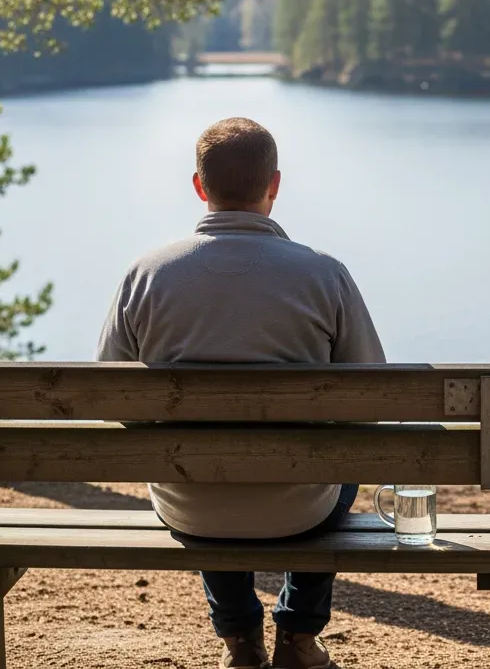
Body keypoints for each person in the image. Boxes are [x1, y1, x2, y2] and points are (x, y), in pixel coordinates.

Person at [97, 117, 385, 669]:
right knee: (338, 457)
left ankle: (239, 639)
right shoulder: (325, 275)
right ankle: (299, 638)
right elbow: (372, 396)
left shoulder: (145, 273)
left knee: (202, 461)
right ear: (274, 185)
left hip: (190, 504)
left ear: (200, 187)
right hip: (302, 506)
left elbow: (111, 397)